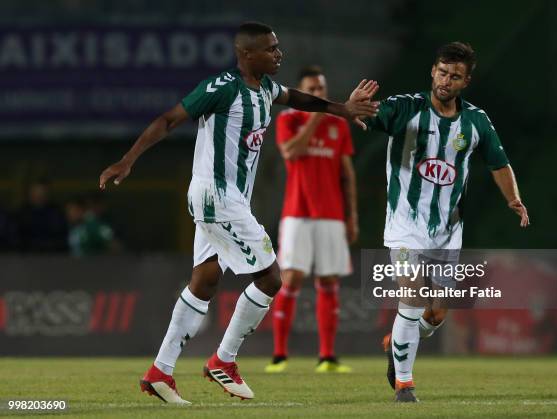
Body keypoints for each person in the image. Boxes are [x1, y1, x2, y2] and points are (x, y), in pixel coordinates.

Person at [99, 21, 378, 404]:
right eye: (271, 49)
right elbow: (169, 119)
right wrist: (127, 160)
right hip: (217, 196)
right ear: (247, 54)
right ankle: (223, 361)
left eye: (278, 47)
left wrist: (340, 109)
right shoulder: (221, 88)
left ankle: (160, 372)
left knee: (206, 280)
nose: (279, 54)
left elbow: (297, 98)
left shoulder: (263, 88)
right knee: (270, 278)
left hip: (227, 200)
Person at [363, 42, 529, 402]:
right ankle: (404, 384)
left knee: (436, 313)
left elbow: (499, 163)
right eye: (441, 71)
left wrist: (512, 198)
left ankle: (398, 342)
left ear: (465, 81)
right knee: (411, 293)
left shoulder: (476, 121)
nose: (446, 80)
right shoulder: (406, 107)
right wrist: (353, 109)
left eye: (455, 76)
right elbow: (366, 116)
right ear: (432, 71)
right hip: (405, 225)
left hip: (447, 233)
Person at [265, 66, 357, 373]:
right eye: (312, 90)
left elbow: (347, 174)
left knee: (329, 281)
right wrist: (316, 116)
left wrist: (351, 217)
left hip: (331, 214)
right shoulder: (288, 119)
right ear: (302, 92)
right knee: (290, 279)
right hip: (297, 212)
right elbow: (290, 153)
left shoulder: (339, 126)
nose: (318, 94)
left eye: (321, 89)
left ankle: (327, 357)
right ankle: (279, 355)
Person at [16, 179, 67, 252]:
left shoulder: (55, 212)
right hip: (27, 254)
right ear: (30, 193)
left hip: (53, 254)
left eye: (42, 192)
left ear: (47, 194)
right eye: (36, 192)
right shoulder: (23, 213)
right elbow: (18, 236)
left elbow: (60, 235)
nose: (39, 196)